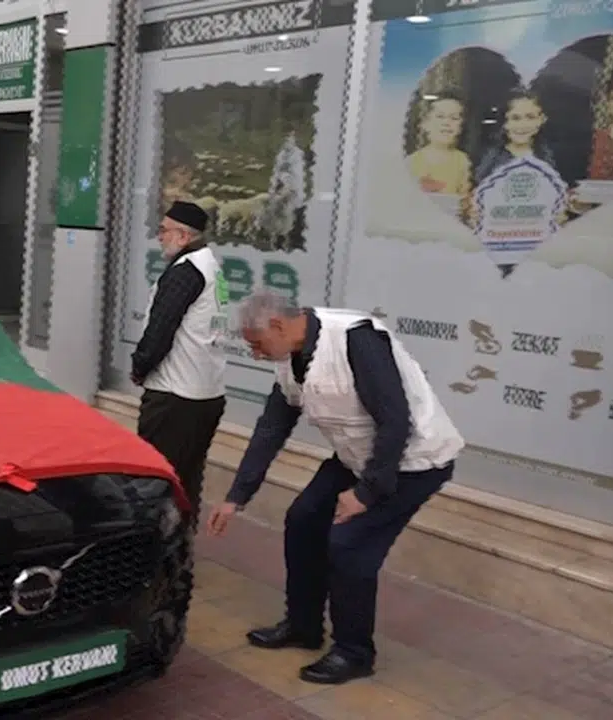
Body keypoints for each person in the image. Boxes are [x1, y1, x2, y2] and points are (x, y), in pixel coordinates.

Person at [207, 291, 463, 685]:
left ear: (277, 325)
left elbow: (396, 420)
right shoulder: (290, 358)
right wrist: (236, 496)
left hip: (414, 461)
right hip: (357, 456)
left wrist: (366, 493)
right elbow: (272, 428)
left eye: (256, 344)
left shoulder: (355, 339)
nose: (255, 354)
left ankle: (354, 653)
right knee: (303, 519)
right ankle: (303, 626)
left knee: (350, 544)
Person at [132, 200, 228, 511]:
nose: (159, 237)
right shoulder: (211, 267)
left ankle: (153, 539)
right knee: (187, 480)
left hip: (174, 396)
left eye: (164, 230)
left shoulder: (186, 272)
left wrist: (140, 366)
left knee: (155, 481)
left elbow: (161, 329)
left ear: (183, 236)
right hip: (207, 394)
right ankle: (182, 536)